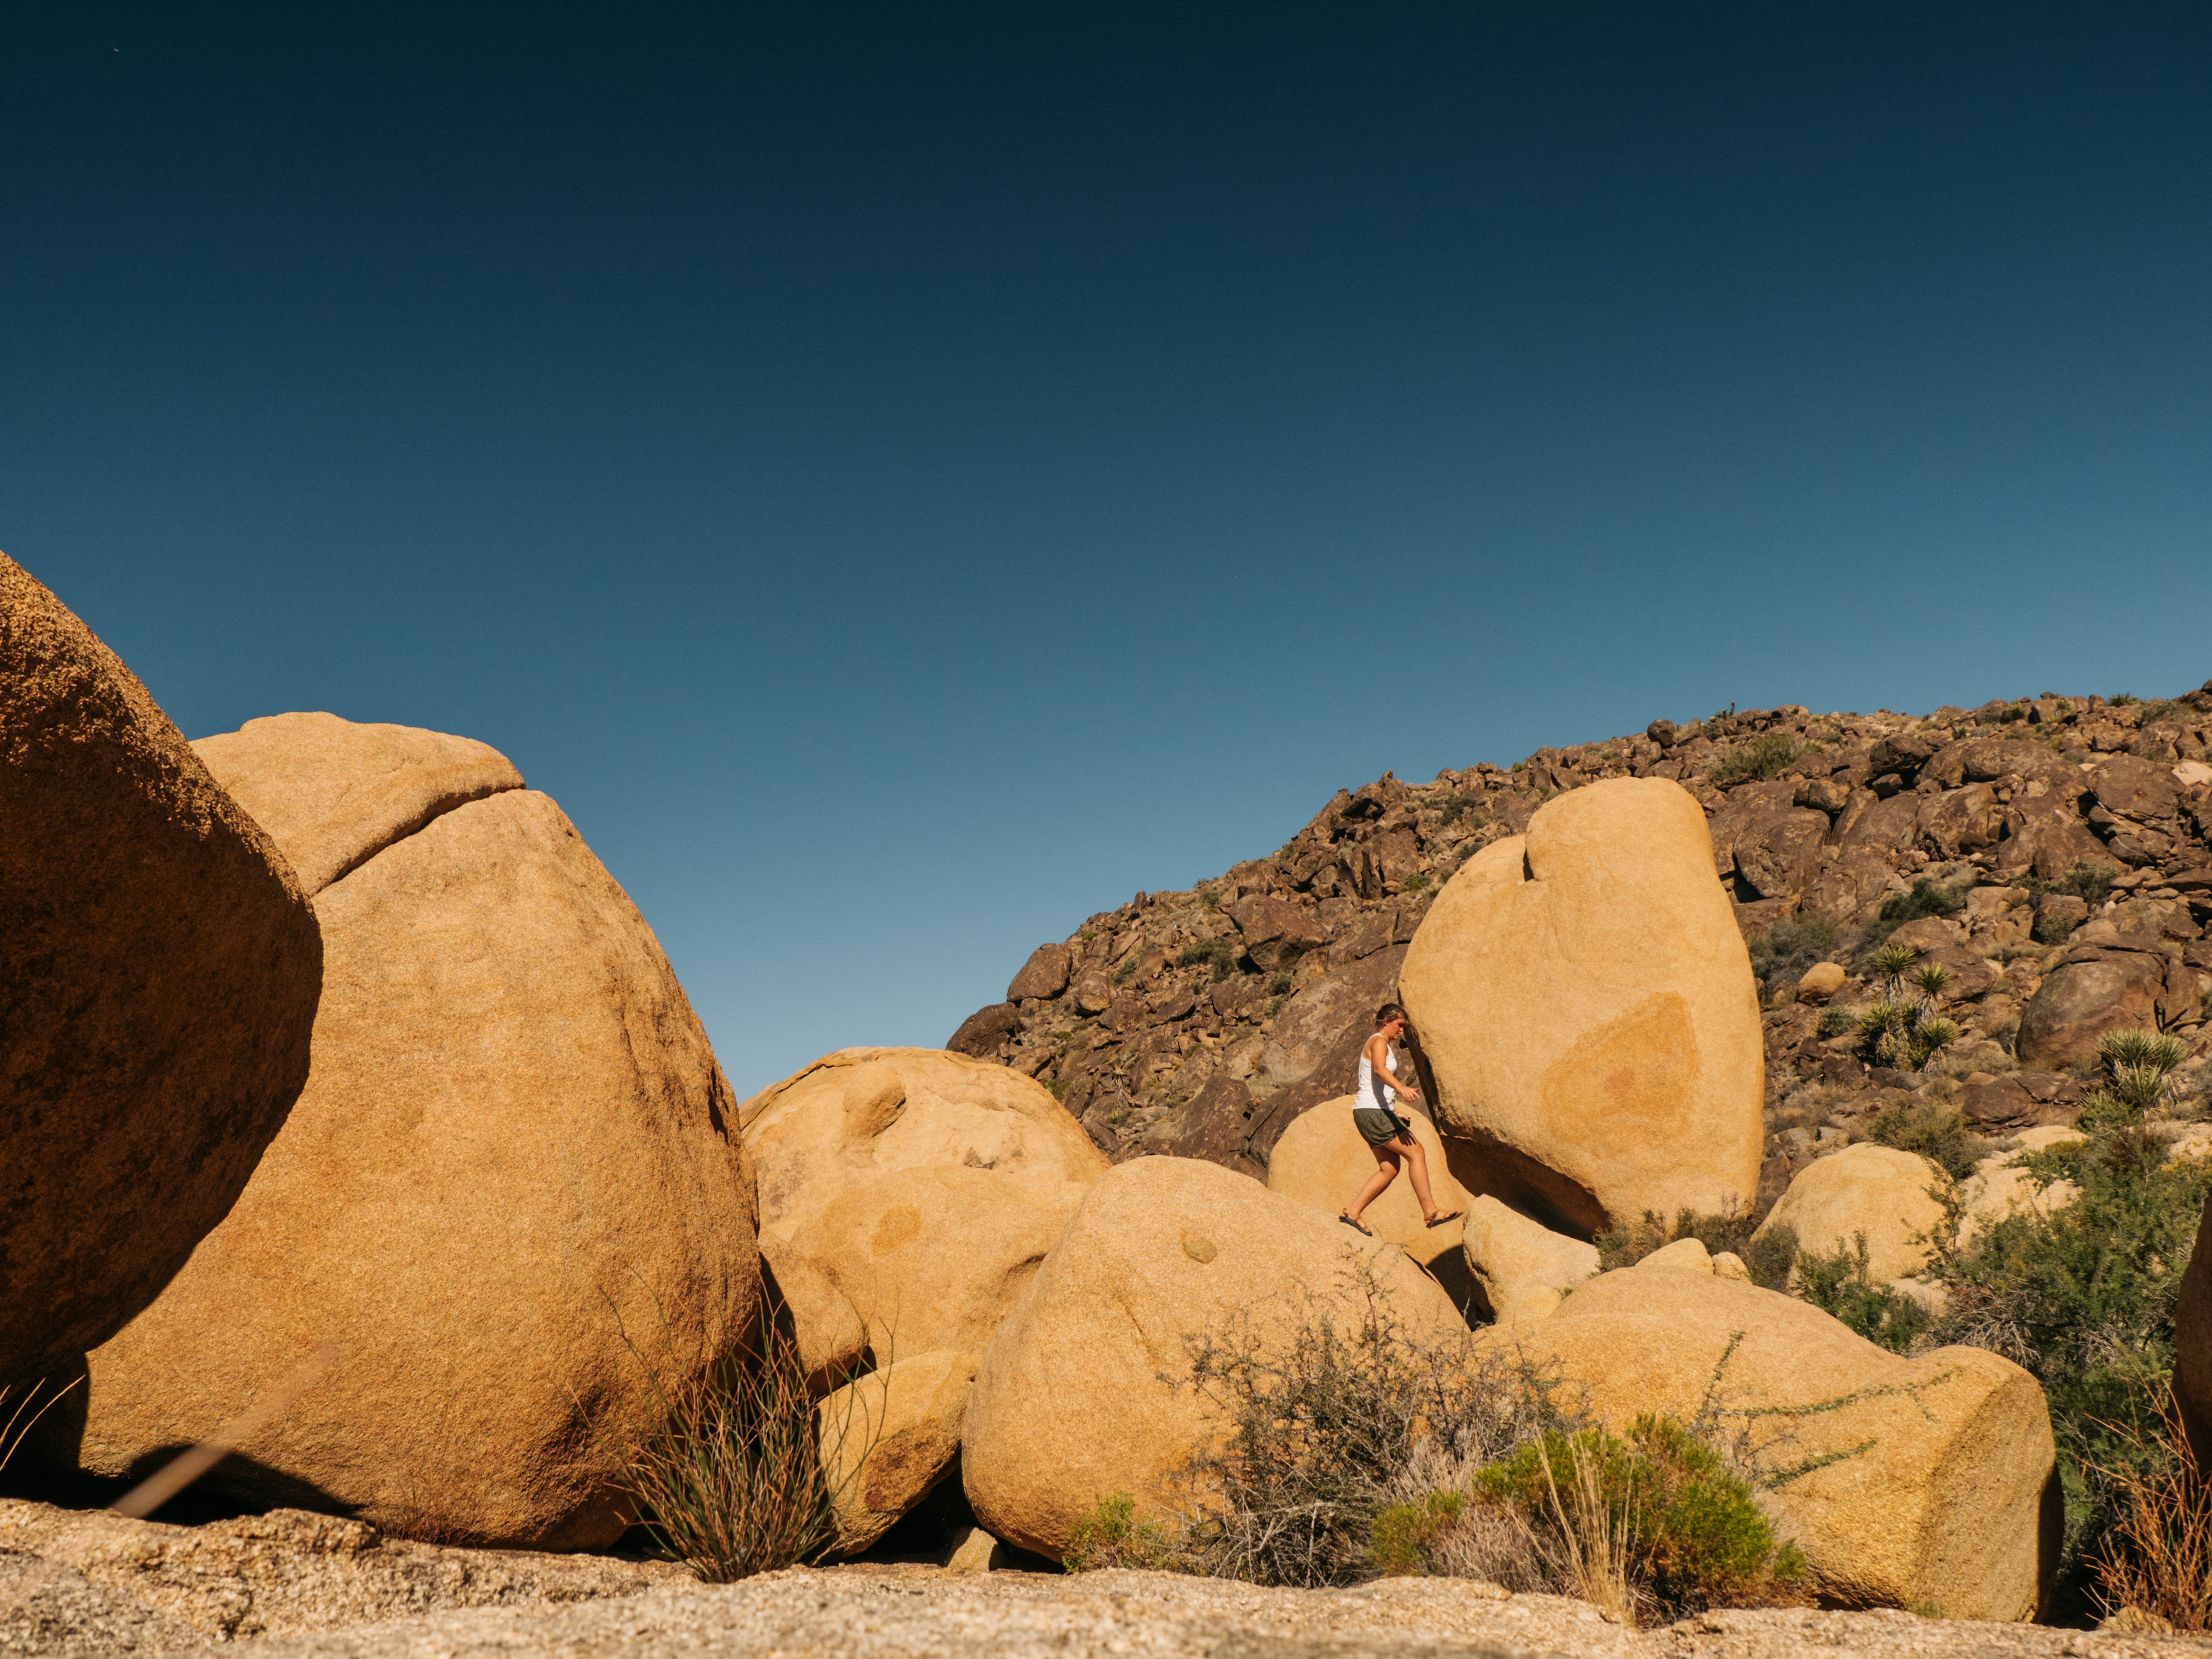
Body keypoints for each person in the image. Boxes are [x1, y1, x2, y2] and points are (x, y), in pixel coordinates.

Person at [1340, 1003, 1460, 1236]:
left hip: (1371, 1111)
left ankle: (1353, 1212)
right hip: (1372, 1112)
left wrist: (1393, 1112)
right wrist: (1401, 1087)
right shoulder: (1378, 1042)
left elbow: (1372, 1084)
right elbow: (1378, 1070)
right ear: (1386, 1022)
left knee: (1389, 1168)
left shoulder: (1381, 1043)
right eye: (1399, 1025)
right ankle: (1431, 1212)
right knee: (1417, 1153)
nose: (1402, 1030)